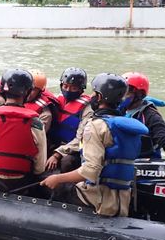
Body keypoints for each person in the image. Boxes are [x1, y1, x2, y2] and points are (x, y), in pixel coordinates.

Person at [41, 73, 148, 217]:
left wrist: (57, 179)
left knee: (51, 184)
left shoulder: (96, 126)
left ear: (99, 97)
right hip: (121, 200)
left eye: (94, 93)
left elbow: (90, 171)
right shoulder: (124, 126)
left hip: (98, 199)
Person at [120, 72, 165, 172]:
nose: (122, 96)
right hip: (124, 161)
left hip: (145, 166)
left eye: (127, 92)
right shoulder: (118, 109)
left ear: (139, 95)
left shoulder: (150, 115)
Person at [46, 67, 93, 172]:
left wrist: (57, 154)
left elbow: (80, 140)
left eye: (73, 88)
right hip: (55, 144)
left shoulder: (87, 110)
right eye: (65, 86)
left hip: (74, 150)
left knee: (67, 162)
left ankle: (67, 186)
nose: (68, 90)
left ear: (81, 89)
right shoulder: (57, 101)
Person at [24, 69, 59, 134]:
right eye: (26, 87)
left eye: (33, 90)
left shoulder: (45, 114)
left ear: (39, 91)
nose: (28, 92)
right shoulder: (15, 98)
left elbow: (37, 137)